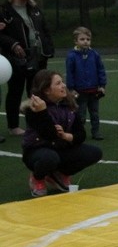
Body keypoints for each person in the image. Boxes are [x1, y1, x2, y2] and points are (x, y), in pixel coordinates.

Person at [21, 69, 102, 197]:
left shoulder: (68, 105)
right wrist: (43, 112)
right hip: (37, 150)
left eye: (62, 82)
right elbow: (49, 135)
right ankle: (37, 178)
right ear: (47, 90)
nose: (63, 85)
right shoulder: (34, 109)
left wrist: (67, 136)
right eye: (58, 83)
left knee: (94, 153)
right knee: (50, 158)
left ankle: (60, 174)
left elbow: (81, 134)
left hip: (61, 148)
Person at [0, 0, 54, 137]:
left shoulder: (34, 9)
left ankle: (33, 124)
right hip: (15, 57)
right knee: (15, 91)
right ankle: (13, 126)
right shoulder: (4, 10)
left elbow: (44, 29)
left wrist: (49, 47)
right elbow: (0, 34)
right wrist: (13, 44)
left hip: (38, 56)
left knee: (35, 92)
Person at [65, 26, 107, 141]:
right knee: (81, 114)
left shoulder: (94, 54)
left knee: (95, 113)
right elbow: (70, 73)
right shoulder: (72, 56)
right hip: (80, 91)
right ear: (76, 41)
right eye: (82, 39)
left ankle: (96, 132)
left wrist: (102, 85)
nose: (85, 42)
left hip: (94, 90)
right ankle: (80, 133)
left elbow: (101, 70)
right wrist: (71, 88)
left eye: (88, 39)